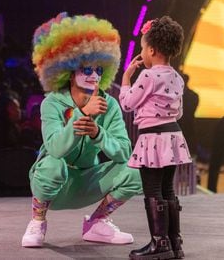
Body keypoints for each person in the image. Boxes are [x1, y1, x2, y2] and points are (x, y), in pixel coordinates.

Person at [21, 12, 142, 248]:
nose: (94, 76)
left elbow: (124, 153)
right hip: (53, 183)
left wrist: (98, 134)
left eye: (99, 70)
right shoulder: (52, 103)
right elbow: (55, 148)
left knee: (136, 171)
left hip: (87, 181)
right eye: (87, 70)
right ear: (68, 70)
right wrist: (83, 114)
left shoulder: (110, 105)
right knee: (52, 164)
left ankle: (97, 223)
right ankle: (37, 221)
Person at [119, 16, 190, 260]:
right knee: (167, 188)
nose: (141, 52)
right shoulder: (177, 78)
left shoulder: (148, 77)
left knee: (152, 190)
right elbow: (178, 111)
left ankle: (159, 244)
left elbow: (127, 103)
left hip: (153, 138)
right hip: (173, 136)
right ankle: (174, 242)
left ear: (151, 49)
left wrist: (126, 78)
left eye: (142, 47)